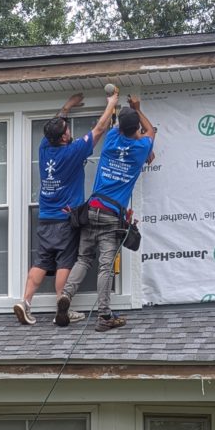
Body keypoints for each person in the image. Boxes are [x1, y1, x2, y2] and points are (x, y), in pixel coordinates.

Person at [14, 89, 119, 326]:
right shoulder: (72, 151)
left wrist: (68, 106)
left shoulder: (44, 147)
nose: (69, 130)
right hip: (64, 219)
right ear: (63, 137)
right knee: (65, 263)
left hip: (45, 217)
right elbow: (100, 129)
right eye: (67, 129)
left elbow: (57, 124)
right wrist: (111, 104)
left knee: (41, 261)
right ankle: (62, 308)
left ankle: (25, 302)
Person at [54, 95, 156, 332]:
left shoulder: (110, 139)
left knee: (83, 259)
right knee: (105, 266)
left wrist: (115, 105)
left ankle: (65, 296)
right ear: (135, 129)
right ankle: (104, 316)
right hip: (111, 216)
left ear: (119, 127)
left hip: (92, 210)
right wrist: (138, 108)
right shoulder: (142, 147)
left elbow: (114, 126)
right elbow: (150, 130)